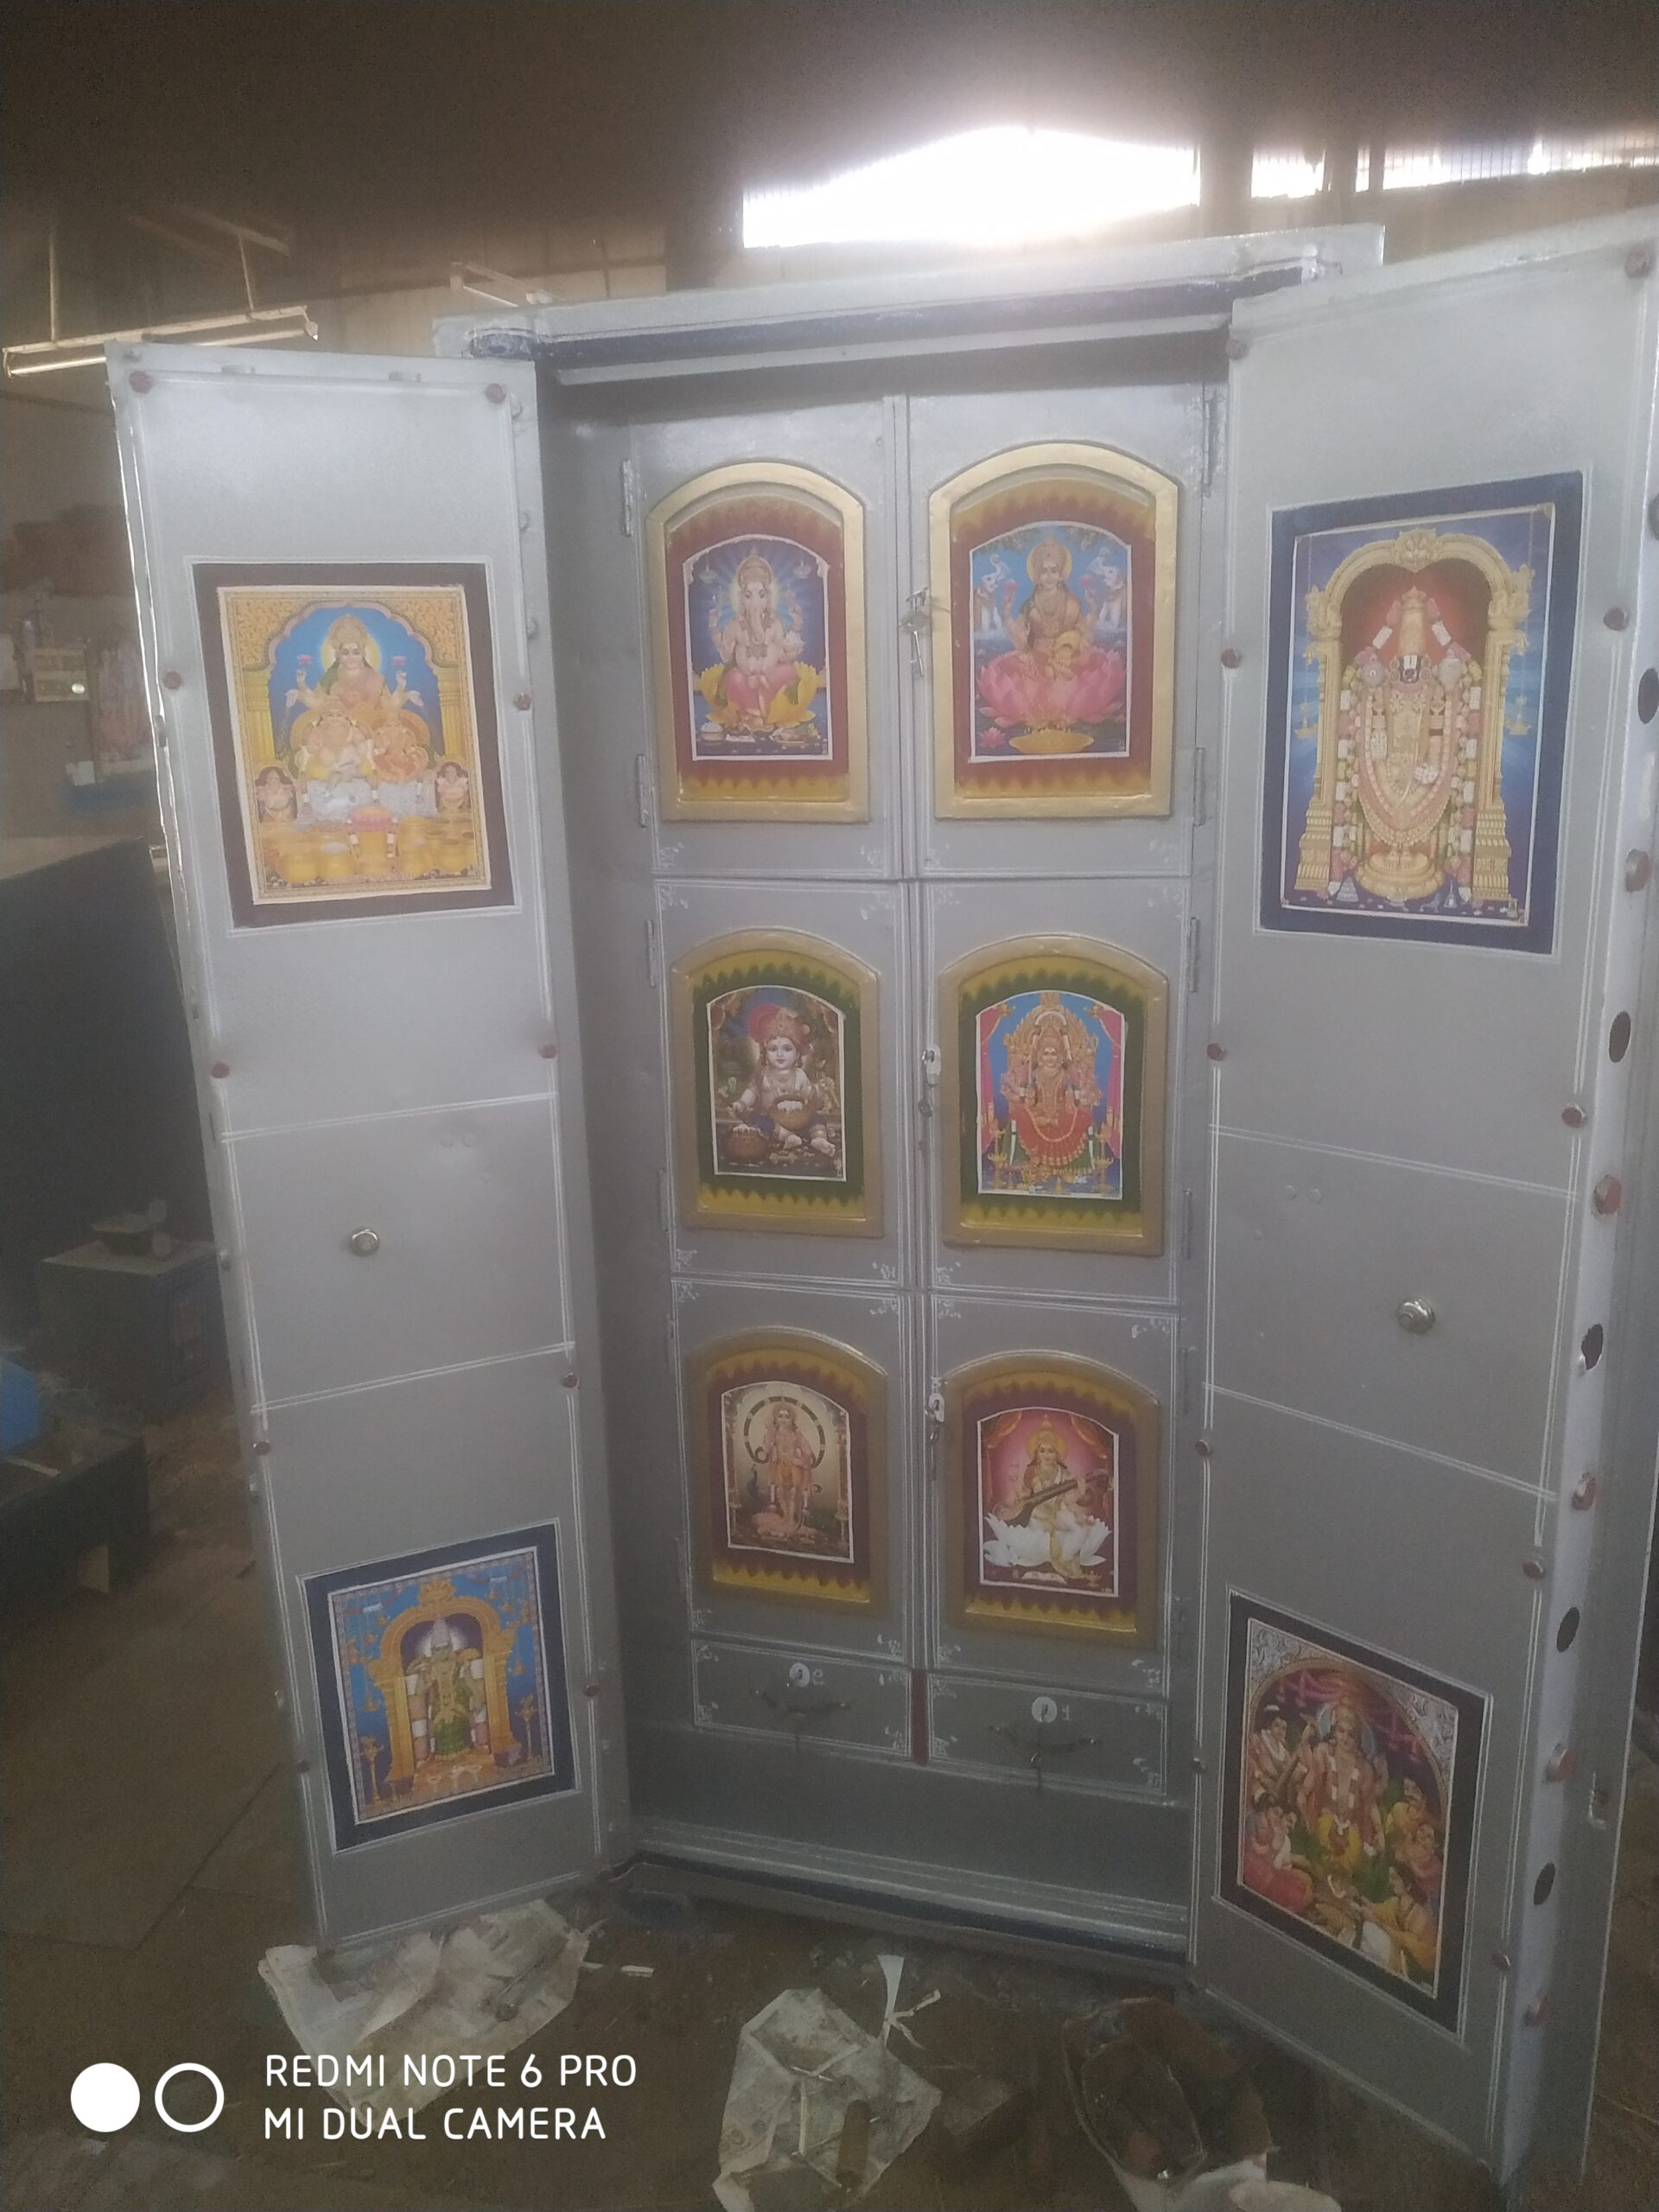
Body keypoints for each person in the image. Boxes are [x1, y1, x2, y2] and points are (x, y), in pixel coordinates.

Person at [976, 536, 1126, 741]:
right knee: (1023, 676)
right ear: (1037, 576)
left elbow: (1083, 634)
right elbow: (1020, 641)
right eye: (1044, 571)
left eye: (1054, 570)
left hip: (1067, 660)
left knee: (1080, 676)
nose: (1049, 576)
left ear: (1061, 574)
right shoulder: (1029, 606)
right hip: (1036, 660)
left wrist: (1092, 610)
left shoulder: (1073, 602)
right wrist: (1007, 615)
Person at [698, 552, 820, 741]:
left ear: (768, 599)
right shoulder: (735, 625)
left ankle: (762, 712)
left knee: (790, 671)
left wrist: (797, 625)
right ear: (741, 600)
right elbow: (726, 655)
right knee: (732, 677)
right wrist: (714, 627)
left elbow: (783, 656)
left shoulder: (776, 623)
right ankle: (752, 715)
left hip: (769, 681)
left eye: (761, 595)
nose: (755, 602)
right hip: (744, 683)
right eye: (749, 596)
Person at [730, 1004, 838, 1162]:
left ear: (797, 1054)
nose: (780, 1054)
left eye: (787, 1049)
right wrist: (741, 1103)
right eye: (773, 1049)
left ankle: (819, 1139)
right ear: (764, 1053)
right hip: (772, 1121)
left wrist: (820, 1089)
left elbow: (809, 1095)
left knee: (816, 1119)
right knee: (757, 1120)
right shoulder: (762, 1075)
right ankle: (787, 1137)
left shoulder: (800, 1075)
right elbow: (751, 1092)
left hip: (798, 1120)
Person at [1298, 1694, 1385, 1873]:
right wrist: (1303, 1797)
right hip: (1322, 1826)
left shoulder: (1365, 1769)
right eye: (1340, 1731)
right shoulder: (1323, 1753)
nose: (1344, 1738)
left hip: (1352, 1836)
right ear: (1334, 1731)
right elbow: (1311, 1780)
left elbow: (1370, 1805)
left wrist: (1380, 1832)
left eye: (1351, 1734)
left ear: (1358, 1738)